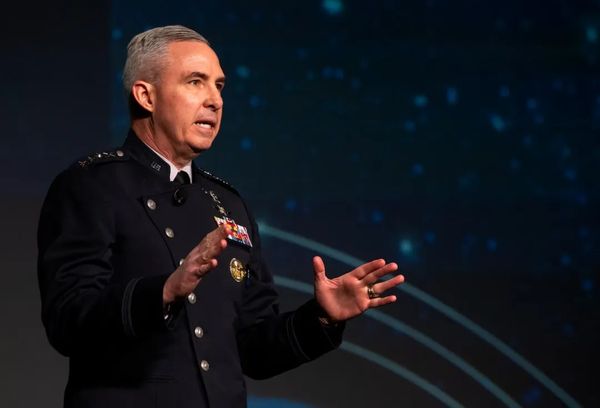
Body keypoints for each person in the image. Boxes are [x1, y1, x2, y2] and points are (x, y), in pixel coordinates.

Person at [37, 25, 405, 408]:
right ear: (146, 96)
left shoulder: (228, 204)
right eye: (195, 82)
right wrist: (163, 292)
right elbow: (67, 321)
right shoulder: (92, 185)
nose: (215, 100)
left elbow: (254, 351)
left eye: (219, 86)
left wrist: (323, 318)